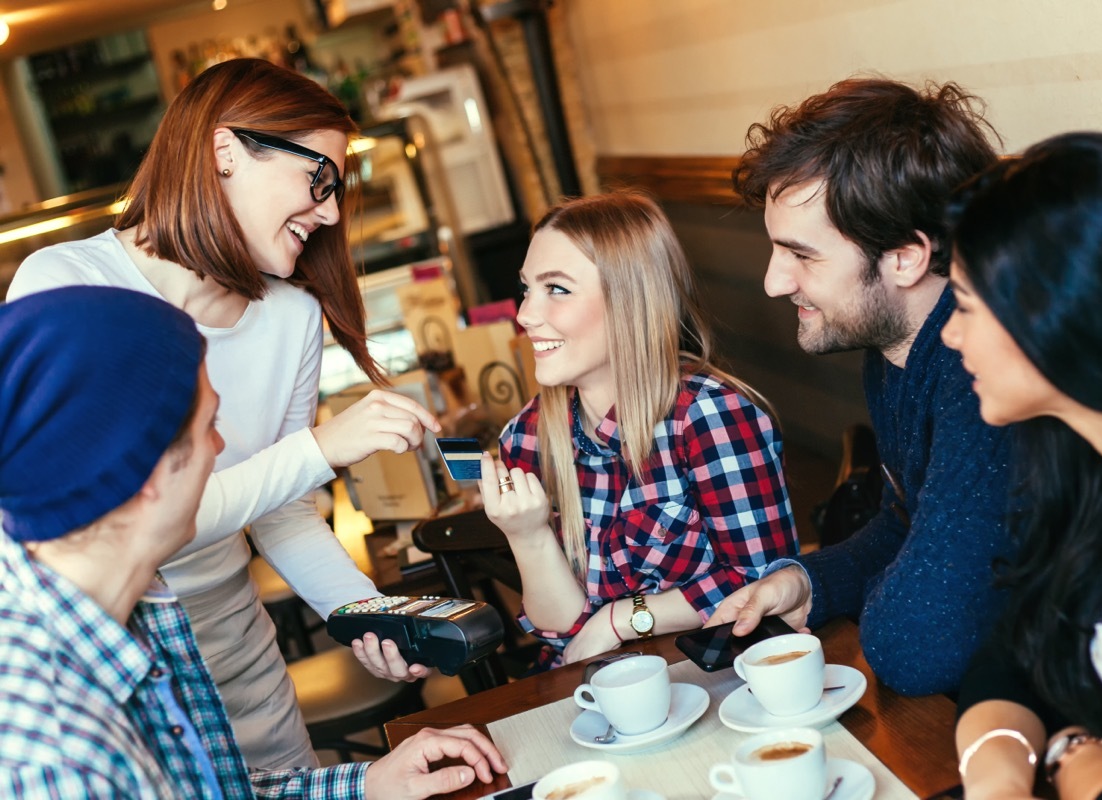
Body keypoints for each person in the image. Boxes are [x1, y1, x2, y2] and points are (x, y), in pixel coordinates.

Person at [6, 58, 441, 769]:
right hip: (117, 656)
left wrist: (366, 612)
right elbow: (123, 514)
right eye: (318, 179)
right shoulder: (71, 286)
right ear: (224, 151)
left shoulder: (293, 316)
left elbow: (284, 512)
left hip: (239, 643)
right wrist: (320, 449)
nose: (331, 211)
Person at [0, 286, 508, 798]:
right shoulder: (51, 759)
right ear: (145, 470)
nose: (221, 448)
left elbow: (209, 790)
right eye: (208, 427)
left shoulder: (136, 600)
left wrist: (367, 783)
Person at [706, 78, 1014, 696]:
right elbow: (906, 522)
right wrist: (811, 581)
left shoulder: (987, 378)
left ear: (904, 257)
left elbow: (916, 648)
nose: (772, 282)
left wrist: (881, 597)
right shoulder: (893, 346)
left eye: (802, 254)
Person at [946, 133, 1102, 798]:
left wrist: (1068, 751)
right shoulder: (1088, 457)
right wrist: (999, 778)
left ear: (1058, 315)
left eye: (966, 306)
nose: (950, 334)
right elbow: (1010, 660)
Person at [478, 191, 799, 668]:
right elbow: (564, 634)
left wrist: (623, 618)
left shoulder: (708, 417)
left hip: (715, 676)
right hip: (598, 692)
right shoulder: (527, 436)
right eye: (527, 288)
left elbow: (762, 581)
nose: (525, 314)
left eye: (557, 289)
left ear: (630, 300)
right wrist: (528, 536)